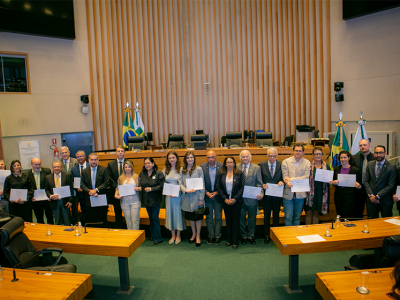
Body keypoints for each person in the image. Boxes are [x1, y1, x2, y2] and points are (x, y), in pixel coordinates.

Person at [216, 156, 244, 250]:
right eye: (227, 162)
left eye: (231, 162)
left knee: (235, 221)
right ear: (225, 164)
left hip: (236, 201)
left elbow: (242, 188)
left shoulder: (239, 173)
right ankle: (229, 240)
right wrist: (224, 199)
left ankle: (235, 242)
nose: (229, 164)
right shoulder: (221, 173)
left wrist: (235, 199)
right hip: (226, 201)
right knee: (228, 221)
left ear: (234, 163)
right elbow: (218, 187)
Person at [179, 151, 205, 247]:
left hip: (196, 197)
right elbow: (180, 182)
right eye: (188, 157)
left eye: (191, 157)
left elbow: (202, 184)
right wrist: (185, 190)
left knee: (197, 217)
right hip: (187, 197)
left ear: (194, 159)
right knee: (190, 217)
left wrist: (201, 198)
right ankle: (193, 234)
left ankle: (198, 235)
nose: (190, 159)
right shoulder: (182, 169)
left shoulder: (199, 169)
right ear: (185, 159)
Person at [237, 150, 263, 245]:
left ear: (250, 157)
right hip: (240, 199)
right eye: (243, 157)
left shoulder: (256, 168)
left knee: (252, 218)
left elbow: (259, 183)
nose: (245, 158)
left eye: (247, 156)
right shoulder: (236, 167)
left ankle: (251, 236)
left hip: (252, 198)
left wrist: (261, 194)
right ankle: (243, 236)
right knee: (241, 218)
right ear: (240, 158)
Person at [259, 147, 284, 244]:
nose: (272, 158)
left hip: (277, 195)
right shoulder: (261, 165)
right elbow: (259, 178)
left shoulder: (282, 164)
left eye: (274, 156)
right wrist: (262, 185)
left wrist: (282, 182)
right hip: (266, 195)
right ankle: (266, 235)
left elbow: (283, 177)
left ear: (277, 156)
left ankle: (275, 235)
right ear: (267, 156)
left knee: (276, 216)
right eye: (270, 156)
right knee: (266, 216)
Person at [282, 144, 311, 226]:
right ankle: (289, 238)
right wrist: (287, 181)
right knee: (288, 217)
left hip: (300, 194)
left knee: (297, 217)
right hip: (288, 193)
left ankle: (295, 236)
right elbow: (285, 177)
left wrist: (291, 179)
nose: (298, 152)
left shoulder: (307, 163)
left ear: (303, 152)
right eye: (296, 150)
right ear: (293, 151)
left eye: (300, 151)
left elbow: (306, 177)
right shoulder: (285, 162)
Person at [364, 145, 396, 218]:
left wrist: (377, 196)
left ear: (385, 153)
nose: (378, 155)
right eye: (376, 153)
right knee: (372, 223)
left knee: (387, 224)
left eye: (381, 152)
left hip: (385, 200)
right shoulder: (370, 164)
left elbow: (391, 185)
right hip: (371, 200)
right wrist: (371, 195)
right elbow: (366, 181)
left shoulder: (391, 167)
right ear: (374, 154)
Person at [140, 157, 165, 245]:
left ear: (153, 163)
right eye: (145, 163)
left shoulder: (158, 173)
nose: (147, 165)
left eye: (149, 163)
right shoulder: (142, 173)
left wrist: (151, 189)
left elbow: (162, 186)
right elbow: (140, 184)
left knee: (155, 218)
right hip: (146, 200)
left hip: (155, 200)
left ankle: (158, 238)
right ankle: (152, 236)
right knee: (150, 218)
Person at [200, 150, 223, 245]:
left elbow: (224, 181)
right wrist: (206, 192)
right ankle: (210, 236)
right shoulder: (202, 167)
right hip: (207, 196)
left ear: (216, 156)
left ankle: (217, 236)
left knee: (218, 217)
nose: (210, 159)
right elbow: (200, 182)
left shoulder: (221, 166)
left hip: (218, 196)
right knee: (208, 218)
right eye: (208, 157)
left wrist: (217, 192)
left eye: (212, 157)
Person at [81, 153, 110, 227]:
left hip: (100, 198)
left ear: (98, 160)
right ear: (88, 160)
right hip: (90, 198)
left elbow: (106, 183)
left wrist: (96, 190)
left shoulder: (104, 169)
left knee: (103, 220)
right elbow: (82, 184)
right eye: (91, 160)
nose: (93, 161)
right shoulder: (84, 171)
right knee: (92, 220)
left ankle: (104, 236)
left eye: (95, 160)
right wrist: (90, 192)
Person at [163, 151, 186, 244]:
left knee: (178, 215)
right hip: (169, 196)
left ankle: (178, 236)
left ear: (176, 158)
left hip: (178, 196)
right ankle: (172, 236)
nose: (171, 159)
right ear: (168, 159)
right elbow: (163, 183)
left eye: (173, 157)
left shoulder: (181, 169)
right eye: (170, 158)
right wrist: (167, 191)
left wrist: (179, 190)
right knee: (170, 215)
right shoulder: (165, 170)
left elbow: (183, 182)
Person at [330, 150, 362, 219]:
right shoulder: (336, 169)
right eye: (341, 158)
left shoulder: (355, 170)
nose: (343, 159)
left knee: (348, 215)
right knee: (339, 214)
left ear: (349, 158)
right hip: (339, 195)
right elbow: (333, 182)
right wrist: (333, 182)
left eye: (345, 157)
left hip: (350, 196)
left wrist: (358, 185)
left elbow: (359, 185)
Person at [305, 147, 331, 225]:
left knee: (316, 213)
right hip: (309, 193)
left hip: (321, 193)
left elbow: (329, 179)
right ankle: (307, 232)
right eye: (316, 154)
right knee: (308, 213)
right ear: (312, 155)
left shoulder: (327, 166)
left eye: (320, 154)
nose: (318, 156)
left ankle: (315, 232)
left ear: (322, 155)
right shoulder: (308, 165)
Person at [115, 160, 142, 230]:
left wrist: (138, 188)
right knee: (128, 222)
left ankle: (136, 238)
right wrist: (116, 195)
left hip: (135, 201)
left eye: (129, 167)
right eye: (126, 167)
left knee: (135, 221)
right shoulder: (121, 178)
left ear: (132, 167)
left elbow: (141, 187)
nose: (127, 168)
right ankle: (131, 238)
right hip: (124, 201)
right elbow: (118, 189)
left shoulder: (136, 176)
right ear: (124, 168)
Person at [107, 145, 130, 229]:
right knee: (117, 212)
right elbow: (109, 178)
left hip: (127, 191)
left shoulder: (129, 162)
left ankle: (128, 228)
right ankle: (119, 229)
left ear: (124, 153)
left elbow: (131, 175)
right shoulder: (110, 164)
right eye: (118, 151)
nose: (120, 153)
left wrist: (124, 186)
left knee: (127, 212)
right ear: (116, 153)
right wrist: (117, 187)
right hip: (116, 191)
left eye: (122, 151)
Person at [352, 139, 375, 218]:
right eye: (361, 145)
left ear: (369, 145)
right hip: (358, 189)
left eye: (364, 145)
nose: (362, 147)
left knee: (372, 213)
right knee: (357, 212)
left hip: (371, 189)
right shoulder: (354, 158)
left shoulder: (375, 158)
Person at [45, 160, 73, 225]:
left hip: (65, 202)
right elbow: (46, 189)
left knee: (67, 221)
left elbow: (71, 189)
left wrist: (71, 201)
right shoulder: (48, 177)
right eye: (55, 167)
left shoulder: (67, 175)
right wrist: (50, 196)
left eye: (58, 167)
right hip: (54, 202)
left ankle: (68, 234)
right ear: (52, 168)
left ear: (61, 167)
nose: (56, 168)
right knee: (57, 222)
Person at [27, 158, 53, 224]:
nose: (37, 166)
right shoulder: (27, 174)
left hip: (47, 199)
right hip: (35, 200)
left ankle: (52, 231)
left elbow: (50, 184)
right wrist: (30, 197)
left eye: (39, 164)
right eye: (35, 164)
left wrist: (50, 195)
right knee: (39, 219)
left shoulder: (47, 171)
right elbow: (27, 187)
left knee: (50, 217)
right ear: (31, 164)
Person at [70, 150, 89, 225]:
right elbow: (72, 181)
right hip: (80, 193)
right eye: (77, 157)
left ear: (84, 156)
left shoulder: (90, 165)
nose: (79, 158)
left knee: (91, 210)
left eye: (81, 156)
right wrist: (77, 188)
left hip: (90, 193)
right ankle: (86, 225)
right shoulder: (73, 169)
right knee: (83, 211)